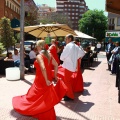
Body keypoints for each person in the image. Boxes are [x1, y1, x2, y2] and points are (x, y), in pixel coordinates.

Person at [12, 40, 67, 120]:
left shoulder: (39, 56)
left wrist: (46, 80)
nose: (35, 47)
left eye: (36, 46)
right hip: (47, 79)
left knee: (33, 97)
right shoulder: (49, 55)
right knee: (44, 98)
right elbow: (56, 65)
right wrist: (54, 76)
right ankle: (44, 115)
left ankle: (37, 112)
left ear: (39, 46)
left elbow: (43, 68)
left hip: (41, 80)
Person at [60, 34, 85, 101]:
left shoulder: (69, 45)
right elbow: (82, 53)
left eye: (66, 39)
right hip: (72, 66)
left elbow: (62, 56)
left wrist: (65, 59)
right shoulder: (76, 46)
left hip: (68, 65)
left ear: (70, 39)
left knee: (67, 81)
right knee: (68, 81)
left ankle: (70, 95)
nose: (65, 40)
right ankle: (67, 94)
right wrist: (75, 58)